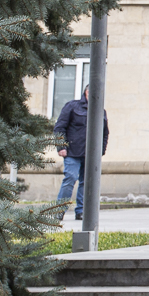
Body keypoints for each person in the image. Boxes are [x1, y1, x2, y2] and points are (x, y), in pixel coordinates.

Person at [53, 87, 109, 221]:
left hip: (91, 155)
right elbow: (59, 127)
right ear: (87, 92)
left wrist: (101, 151)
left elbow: (105, 133)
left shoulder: (101, 111)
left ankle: (81, 211)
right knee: (70, 178)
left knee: (86, 182)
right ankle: (59, 211)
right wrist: (61, 146)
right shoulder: (72, 106)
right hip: (72, 151)